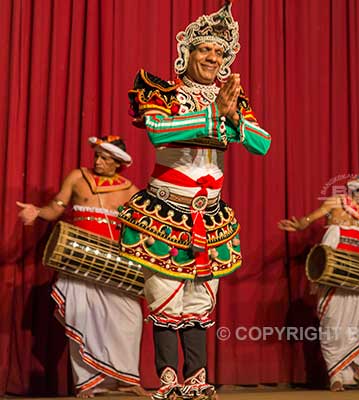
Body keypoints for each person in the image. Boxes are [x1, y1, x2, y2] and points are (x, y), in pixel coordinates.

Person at [118, 3, 271, 399]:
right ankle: (168, 380)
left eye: (220, 53)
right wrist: (212, 116)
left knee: (200, 304)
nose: (213, 58)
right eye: (206, 50)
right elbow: (157, 132)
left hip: (212, 217)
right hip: (164, 213)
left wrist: (233, 118)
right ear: (186, 54)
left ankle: (196, 380)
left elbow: (262, 143)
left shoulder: (232, 99)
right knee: (166, 300)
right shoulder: (162, 92)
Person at [17, 136, 146, 398]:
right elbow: (56, 208)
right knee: (81, 317)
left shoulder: (131, 190)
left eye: (105, 158)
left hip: (115, 265)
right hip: (79, 261)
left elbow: (141, 228)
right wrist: (37, 212)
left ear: (118, 163)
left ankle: (127, 378)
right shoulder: (77, 177)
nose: (98, 161)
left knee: (129, 320)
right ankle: (87, 384)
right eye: (97, 156)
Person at [278, 172, 359, 392]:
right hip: (334, 274)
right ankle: (337, 376)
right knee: (334, 323)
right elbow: (310, 218)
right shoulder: (336, 202)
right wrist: (300, 225)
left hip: (358, 275)